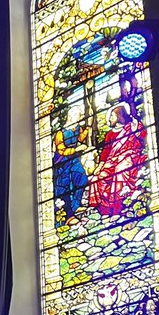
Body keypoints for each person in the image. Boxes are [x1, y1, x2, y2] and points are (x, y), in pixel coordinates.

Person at [87, 102, 146, 217]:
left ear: (119, 116)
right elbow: (106, 152)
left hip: (129, 156)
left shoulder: (130, 127)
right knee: (97, 177)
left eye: (112, 116)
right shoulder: (109, 135)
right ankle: (104, 206)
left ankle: (118, 203)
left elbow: (143, 135)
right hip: (112, 160)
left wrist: (136, 126)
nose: (109, 119)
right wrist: (99, 166)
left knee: (120, 170)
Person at [52, 95, 93, 224]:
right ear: (70, 115)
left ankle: (76, 205)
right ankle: (68, 215)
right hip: (63, 164)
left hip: (74, 160)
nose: (78, 116)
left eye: (79, 114)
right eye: (76, 114)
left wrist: (88, 128)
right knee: (65, 187)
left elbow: (80, 138)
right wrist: (76, 149)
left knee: (82, 179)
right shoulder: (60, 133)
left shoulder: (77, 129)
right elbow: (61, 150)